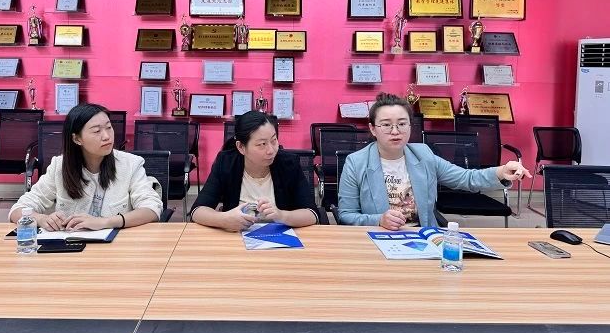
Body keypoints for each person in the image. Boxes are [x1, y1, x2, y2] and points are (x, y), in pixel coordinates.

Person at [338, 93, 531, 229]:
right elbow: (346, 215)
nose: (395, 131)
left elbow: (466, 178)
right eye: (386, 125)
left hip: (423, 236)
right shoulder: (356, 163)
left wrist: (501, 171)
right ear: (373, 129)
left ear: (410, 126)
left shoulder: (423, 155)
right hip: (378, 236)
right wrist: (378, 220)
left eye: (402, 124)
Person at [9, 103, 162, 230]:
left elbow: (151, 209)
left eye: (109, 127)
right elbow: (18, 210)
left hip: (115, 248)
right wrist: (42, 219)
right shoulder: (59, 166)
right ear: (77, 139)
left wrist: (106, 222)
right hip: (70, 249)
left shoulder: (131, 164)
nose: (107, 136)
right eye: (97, 131)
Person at [191, 111, 319, 231]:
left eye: (273, 140)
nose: (271, 150)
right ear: (241, 147)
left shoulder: (289, 164)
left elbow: (312, 214)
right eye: (262, 144)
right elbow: (198, 211)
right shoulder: (226, 163)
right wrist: (224, 219)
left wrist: (281, 215)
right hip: (236, 237)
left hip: (279, 238)